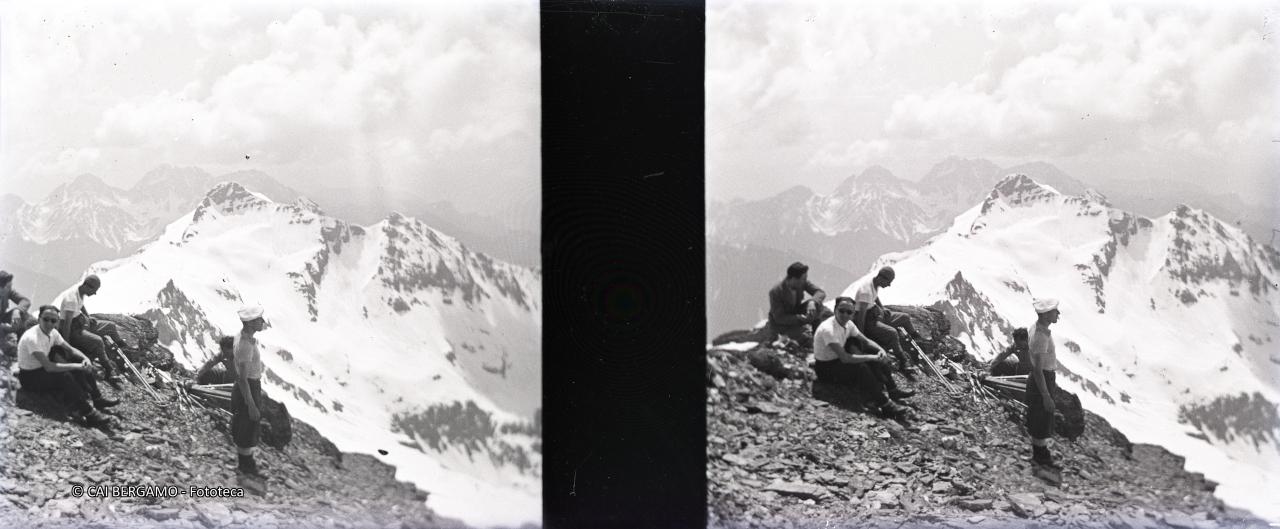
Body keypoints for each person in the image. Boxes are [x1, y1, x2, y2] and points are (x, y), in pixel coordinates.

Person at [812, 297, 915, 419]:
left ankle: (892, 390)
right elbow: (845, 358)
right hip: (825, 369)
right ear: (835, 310)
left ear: (853, 314)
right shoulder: (828, 329)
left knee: (874, 353)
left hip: (836, 360)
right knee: (861, 368)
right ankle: (885, 405)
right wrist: (872, 358)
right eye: (841, 310)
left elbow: (865, 341)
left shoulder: (848, 324)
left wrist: (880, 350)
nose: (845, 314)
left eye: (849, 312)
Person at [15, 305, 118, 426]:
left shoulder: (52, 332)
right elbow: (49, 367)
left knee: (79, 361)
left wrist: (85, 359)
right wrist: (76, 366)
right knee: (64, 376)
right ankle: (89, 413)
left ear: (57, 321)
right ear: (39, 319)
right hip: (30, 377)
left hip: (41, 368)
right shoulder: (32, 338)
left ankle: (97, 398)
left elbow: (70, 349)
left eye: (53, 320)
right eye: (46, 319)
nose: (49, 323)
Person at [852, 266, 922, 380]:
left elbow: (875, 297)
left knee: (905, 317)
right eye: (888, 282)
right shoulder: (866, 291)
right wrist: (862, 337)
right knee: (892, 333)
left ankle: (916, 337)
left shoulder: (874, 283)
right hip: (869, 322)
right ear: (881, 278)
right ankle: (903, 360)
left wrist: (882, 307)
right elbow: (861, 316)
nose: (889, 285)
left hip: (875, 314)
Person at [55, 275, 128, 382]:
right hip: (74, 330)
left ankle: (124, 348)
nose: (94, 293)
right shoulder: (71, 299)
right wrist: (67, 347)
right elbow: (67, 325)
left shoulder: (80, 292)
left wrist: (87, 316)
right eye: (94, 290)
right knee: (98, 341)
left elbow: (81, 305)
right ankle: (109, 370)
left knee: (111, 326)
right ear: (87, 286)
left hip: (81, 323)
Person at [231, 304, 267, 478]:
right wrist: (251, 404)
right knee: (247, 424)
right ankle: (246, 468)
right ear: (251, 323)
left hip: (248, 386)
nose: (263, 321)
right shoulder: (245, 345)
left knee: (246, 425)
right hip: (249, 387)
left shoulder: (243, 337)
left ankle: (246, 465)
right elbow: (243, 378)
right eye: (259, 319)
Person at [1026, 298, 1062, 469]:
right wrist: (1046, 395)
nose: (1058, 314)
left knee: (1040, 417)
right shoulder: (1040, 336)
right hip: (1043, 378)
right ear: (1046, 314)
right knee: (1041, 416)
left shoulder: (1038, 329)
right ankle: (1040, 457)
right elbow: (1038, 369)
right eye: (1055, 311)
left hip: (1043, 378)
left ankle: (1040, 454)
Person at [765, 262, 833, 348]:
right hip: (782, 324)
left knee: (817, 306)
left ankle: (817, 333)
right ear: (794, 279)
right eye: (803, 278)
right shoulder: (776, 292)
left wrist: (812, 302)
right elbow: (780, 318)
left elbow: (820, 292)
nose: (805, 280)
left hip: (795, 313)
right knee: (805, 338)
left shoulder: (801, 283)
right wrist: (800, 318)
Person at [0, 270, 34, 338]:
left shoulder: (7, 291)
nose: (10, 289)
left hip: (2, 319)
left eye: (10, 286)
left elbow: (25, 301)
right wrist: (5, 328)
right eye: (8, 287)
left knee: (24, 316)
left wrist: (17, 310)